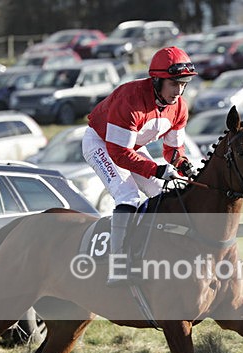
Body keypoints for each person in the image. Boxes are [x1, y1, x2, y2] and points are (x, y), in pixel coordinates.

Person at [82, 46, 198, 286]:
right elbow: (118, 153)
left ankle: (160, 253)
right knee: (128, 196)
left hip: (130, 147)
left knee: (164, 193)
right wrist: (155, 169)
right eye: (173, 84)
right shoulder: (130, 100)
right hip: (102, 144)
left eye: (183, 84)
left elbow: (173, 151)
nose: (179, 91)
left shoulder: (179, 108)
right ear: (156, 81)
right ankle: (118, 266)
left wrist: (185, 167)